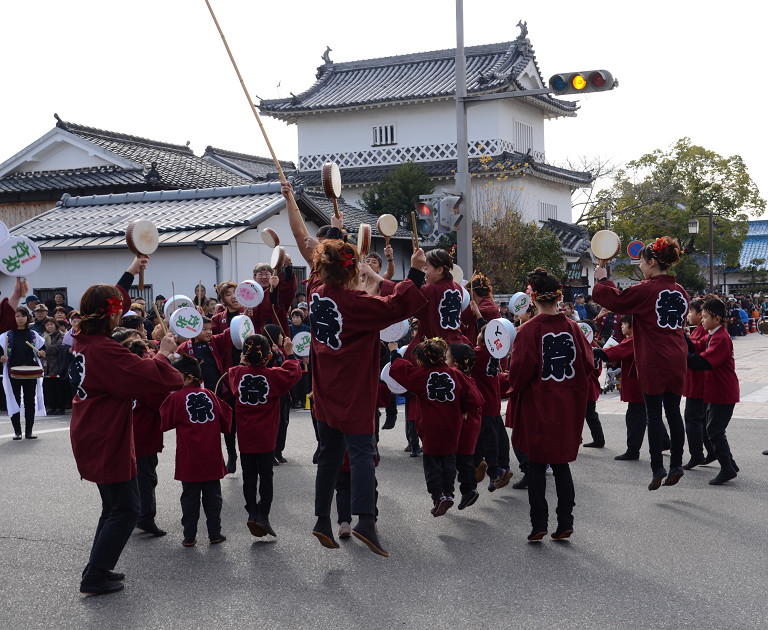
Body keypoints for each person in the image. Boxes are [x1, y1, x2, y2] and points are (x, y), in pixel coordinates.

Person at [281, 178, 428, 557]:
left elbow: (304, 242)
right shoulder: (356, 304)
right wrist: (408, 274)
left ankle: (321, 519)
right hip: (354, 387)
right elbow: (400, 306)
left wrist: (291, 202)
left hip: (326, 386)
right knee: (362, 451)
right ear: (351, 273)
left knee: (329, 453)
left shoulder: (315, 291)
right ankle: (365, 519)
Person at [70, 258, 183, 595]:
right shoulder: (106, 350)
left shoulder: (80, 336)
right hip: (106, 435)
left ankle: (97, 567)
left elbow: (111, 298)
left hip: (91, 429)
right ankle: (95, 575)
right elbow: (159, 377)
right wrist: (162, 353)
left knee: (114, 506)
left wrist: (132, 270)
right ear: (112, 316)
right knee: (127, 508)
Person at [593, 237, 689, 491]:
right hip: (677, 356)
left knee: (654, 415)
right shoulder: (680, 291)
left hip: (654, 358)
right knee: (673, 413)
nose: (640, 265)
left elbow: (617, 301)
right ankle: (677, 464)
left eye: (642, 261)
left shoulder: (647, 290)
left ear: (652, 261)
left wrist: (602, 279)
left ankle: (657, 467)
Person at [508, 267, 594, 542]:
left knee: (536, 465)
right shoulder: (573, 328)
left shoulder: (527, 330)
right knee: (560, 465)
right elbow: (588, 364)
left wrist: (512, 386)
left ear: (532, 298)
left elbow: (519, 373)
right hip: (568, 404)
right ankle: (566, 521)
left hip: (538, 404)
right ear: (559, 297)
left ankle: (538, 524)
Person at [390, 338, 483, 517]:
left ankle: (437, 496)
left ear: (423, 359)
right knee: (448, 460)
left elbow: (398, 369)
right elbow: (476, 399)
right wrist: (463, 407)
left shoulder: (421, 375)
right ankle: (448, 493)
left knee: (431, 462)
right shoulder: (457, 375)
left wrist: (394, 352)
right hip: (452, 426)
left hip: (431, 427)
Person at [228, 334, 301, 537]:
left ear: (244, 355)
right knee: (266, 475)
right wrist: (288, 352)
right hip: (266, 436)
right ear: (269, 356)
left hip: (245, 435)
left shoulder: (236, 373)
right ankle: (263, 515)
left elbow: (237, 370)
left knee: (249, 475)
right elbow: (294, 372)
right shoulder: (274, 375)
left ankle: (252, 511)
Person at [160, 355, 232, 546]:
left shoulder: (175, 398)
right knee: (213, 498)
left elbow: (164, 423)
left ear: (189, 377)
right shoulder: (210, 394)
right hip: (212, 455)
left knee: (190, 499)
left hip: (189, 457)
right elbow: (226, 422)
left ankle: (189, 536)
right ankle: (215, 533)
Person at [686, 298, 740, 485]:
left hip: (723, 391)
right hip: (717, 391)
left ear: (717, 318)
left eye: (706, 316)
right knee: (714, 429)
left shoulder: (720, 338)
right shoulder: (713, 334)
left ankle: (727, 469)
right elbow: (695, 345)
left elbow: (703, 362)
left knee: (714, 431)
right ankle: (731, 465)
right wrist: (681, 338)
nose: (702, 320)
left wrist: (683, 356)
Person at [124, 339, 171, 537]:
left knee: (132, 478)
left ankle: (133, 514)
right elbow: (163, 401)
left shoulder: (124, 374)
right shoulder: (146, 380)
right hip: (144, 436)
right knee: (146, 477)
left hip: (127, 434)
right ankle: (145, 517)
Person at [0, 307, 46, 439]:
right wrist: (1, 358)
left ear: (28, 318)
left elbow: (42, 349)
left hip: (30, 372)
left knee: (29, 401)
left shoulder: (33, 334)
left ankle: (29, 431)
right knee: (14, 400)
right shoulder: (5, 335)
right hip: (13, 372)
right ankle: (17, 432)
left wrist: (42, 353)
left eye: (23, 316)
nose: (20, 319)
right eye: (17, 316)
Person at [681, 299, 716, 469]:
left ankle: (697, 454)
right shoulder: (699, 330)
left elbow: (695, 349)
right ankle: (711, 450)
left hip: (699, 382)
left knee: (693, 419)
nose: (689, 316)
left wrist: (683, 339)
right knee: (700, 420)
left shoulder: (705, 332)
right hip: (694, 380)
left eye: (691, 312)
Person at [41, 316, 68, 416]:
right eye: (47, 325)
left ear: (55, 325)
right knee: (49, 388)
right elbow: (38, 347)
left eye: (51, 324)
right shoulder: (42, 336)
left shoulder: (61, 335)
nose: (50, 326)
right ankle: (51, 406)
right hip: (46, 365)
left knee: (59, 387)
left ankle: (60, 407)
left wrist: (44, 351)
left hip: (57, 364)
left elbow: (57, 347)